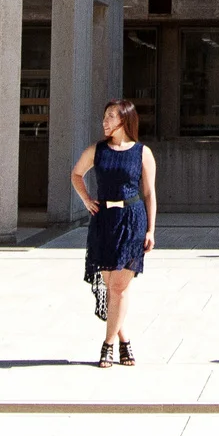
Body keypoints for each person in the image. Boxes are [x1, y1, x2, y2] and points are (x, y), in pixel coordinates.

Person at [71, 98, 157, 367]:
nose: (105, 121)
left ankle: (107, 345)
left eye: (110, 116)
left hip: (132, 219)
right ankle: (124, 341)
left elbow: (149, 193)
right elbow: (76, 174)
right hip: (104, 220)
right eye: (104, 116)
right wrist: (86, 199)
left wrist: (151, 230)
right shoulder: (97, 150)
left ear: (124, 120)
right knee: (111, 287)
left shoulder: (142, 152)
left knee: (119, 287)